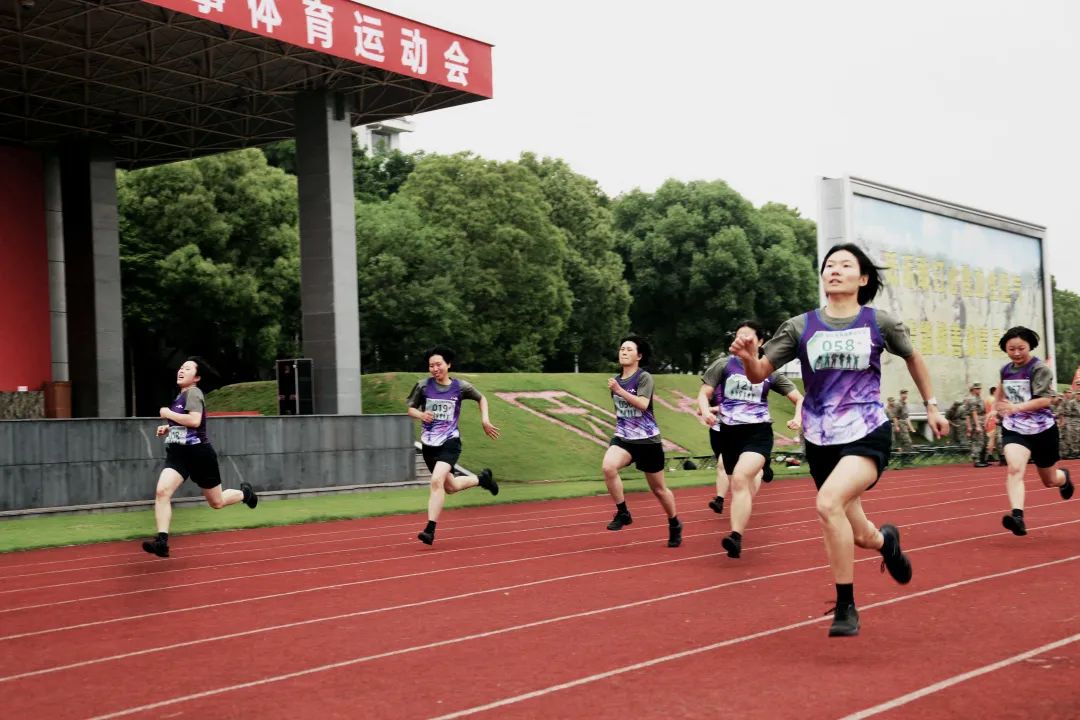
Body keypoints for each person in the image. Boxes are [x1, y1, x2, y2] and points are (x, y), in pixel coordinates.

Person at [730, 243, 949, 637]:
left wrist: (931, 406)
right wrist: (748, 356)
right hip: (820, 438)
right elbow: (760, 373)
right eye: (829, 265)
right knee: (859, 530)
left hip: (867, 429)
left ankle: (846, 605)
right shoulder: (800, 326)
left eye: (845, 265)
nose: (835, 270)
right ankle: (886, 543)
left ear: (862, 278)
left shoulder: (879, 323)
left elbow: (913, 358)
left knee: (827, 503)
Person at [698, 321, 803, 558]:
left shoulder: (769, 372)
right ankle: (759, 473)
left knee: (741, 479)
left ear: (760, 342)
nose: (741, 340)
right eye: (738, 336)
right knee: (736, 480)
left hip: (758, 432)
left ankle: (735, 537)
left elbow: (799, 398)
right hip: (729, 433)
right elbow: (704, 393)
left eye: (747, 336)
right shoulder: (723, 365)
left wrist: (797, 418)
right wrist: (705, 411)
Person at [142, 357, 258, 558]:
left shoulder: (194, 393)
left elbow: (195, 421)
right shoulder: (180, 396)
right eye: (180, 367)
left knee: (217, 502)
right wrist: (168, 428)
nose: (181, 370)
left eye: (187, 368)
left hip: (199, 454)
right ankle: (162, 542)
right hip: (179, 454)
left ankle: (245, 494)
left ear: (196, 378)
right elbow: (185, 423)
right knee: (162, 492)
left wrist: (167, 413)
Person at [407, 346, 500, 546]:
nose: (434, 368)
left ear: (448, 365)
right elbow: (410, 409)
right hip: (429, 444)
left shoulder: (461, 387)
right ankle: (482, 479)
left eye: (438, 364)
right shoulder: (423, 386)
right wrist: (421, 415)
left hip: (450, 442)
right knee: (450, 487)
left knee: (436, 481)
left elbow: (481, 398)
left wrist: (485, 420)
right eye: (431, 365)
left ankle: (429, 530)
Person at [602, 335, 683, 548]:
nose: (624, 352)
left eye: (629, 349)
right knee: (608, 467)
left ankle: (674, 522)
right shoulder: (616, 380)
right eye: (621, 349)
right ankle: (623, 513)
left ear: (639, 355)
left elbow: (643, 405)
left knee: (659, 489)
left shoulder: (644, 377)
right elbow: (623, 411)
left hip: (648, 441)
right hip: (624, 437)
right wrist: (618, 390)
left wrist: (619, 391)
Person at [993, 327, 1074, 536]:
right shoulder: (1005, 370)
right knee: (1014, 468)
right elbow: (1000, 393)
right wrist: (996, 408)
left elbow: (1046, 399)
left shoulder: (1039, 369)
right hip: (1015, 428)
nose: (1017, 353)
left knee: (1049, 480)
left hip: (1042, 429)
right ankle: (1017, 517)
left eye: (1021, 348)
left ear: (1030, 346)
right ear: (1005, 349)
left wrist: (1017, 407)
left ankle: (1063, 478)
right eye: (1011, 349)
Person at [965, 383, 990, 467]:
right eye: (977, 389)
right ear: (973, 389)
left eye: (979, 388)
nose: (979, 390)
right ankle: (977, 460)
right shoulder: (972, 399)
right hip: (977, 422)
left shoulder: (978, 398)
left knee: (984, 440)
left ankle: (983, 459)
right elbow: (973, 412)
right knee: (978, 441)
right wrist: (977, 425)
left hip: (982, 421)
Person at [893, 389, 915, 455]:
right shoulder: (898, 404)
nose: (905, 395)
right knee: (907, 441)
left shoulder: (905, 404)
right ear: (900, 395)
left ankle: (903, 459)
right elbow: (895, 417)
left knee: (904, 442)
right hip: (900, 424)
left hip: (904, 424)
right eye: (903, 394)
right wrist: (896, 426)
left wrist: (911, 428)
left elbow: (907, 417)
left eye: (906, 394)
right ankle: (907, 458)